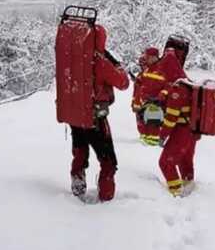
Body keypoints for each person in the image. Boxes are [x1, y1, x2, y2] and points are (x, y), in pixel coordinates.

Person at [70, 24, 129, 202]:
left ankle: (77, 183)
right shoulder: (99, 61)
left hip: (75, 115)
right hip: (95, 118)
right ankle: (106, 197)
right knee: (108, 161)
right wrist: (116, 65)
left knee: (80, 151)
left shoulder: (73, 55)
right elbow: (123, 83)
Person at [158, 79, 199, 197]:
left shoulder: (177, 90)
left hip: (181, 131)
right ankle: (189, 184)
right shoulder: (189, 86)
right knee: (185, 159)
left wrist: (162, 135)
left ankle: (176, 191)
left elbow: (171, 117)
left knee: (165, 162)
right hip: (192, 130)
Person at [131, 47, 164, 146]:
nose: (146, 59)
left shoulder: (160, 70)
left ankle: (150, 146)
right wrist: (135, 103)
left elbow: (166, 86)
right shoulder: (146, 71)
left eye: (148, 57)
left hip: (152, 106)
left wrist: (160, 97)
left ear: (154, 57)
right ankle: (145, 143)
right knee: (142, 126)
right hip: (141, 105)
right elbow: (138, 88)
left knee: (152, 127)